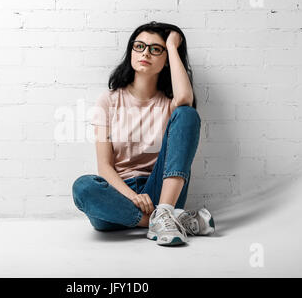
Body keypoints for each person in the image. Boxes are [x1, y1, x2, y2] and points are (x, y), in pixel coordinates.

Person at [72, 21, 215, 246]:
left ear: (166, 59)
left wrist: (172, 45)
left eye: (155, 49)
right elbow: (104, 166)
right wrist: (133, 197)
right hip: (117, 196)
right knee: (83, 187)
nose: (145, 53)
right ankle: (167, 220)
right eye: (139, 46)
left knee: (187, 114)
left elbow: (186, 99)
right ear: (131, 51)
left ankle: (165, 212)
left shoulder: (168, 103)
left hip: (160, 192)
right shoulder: (108, 100)